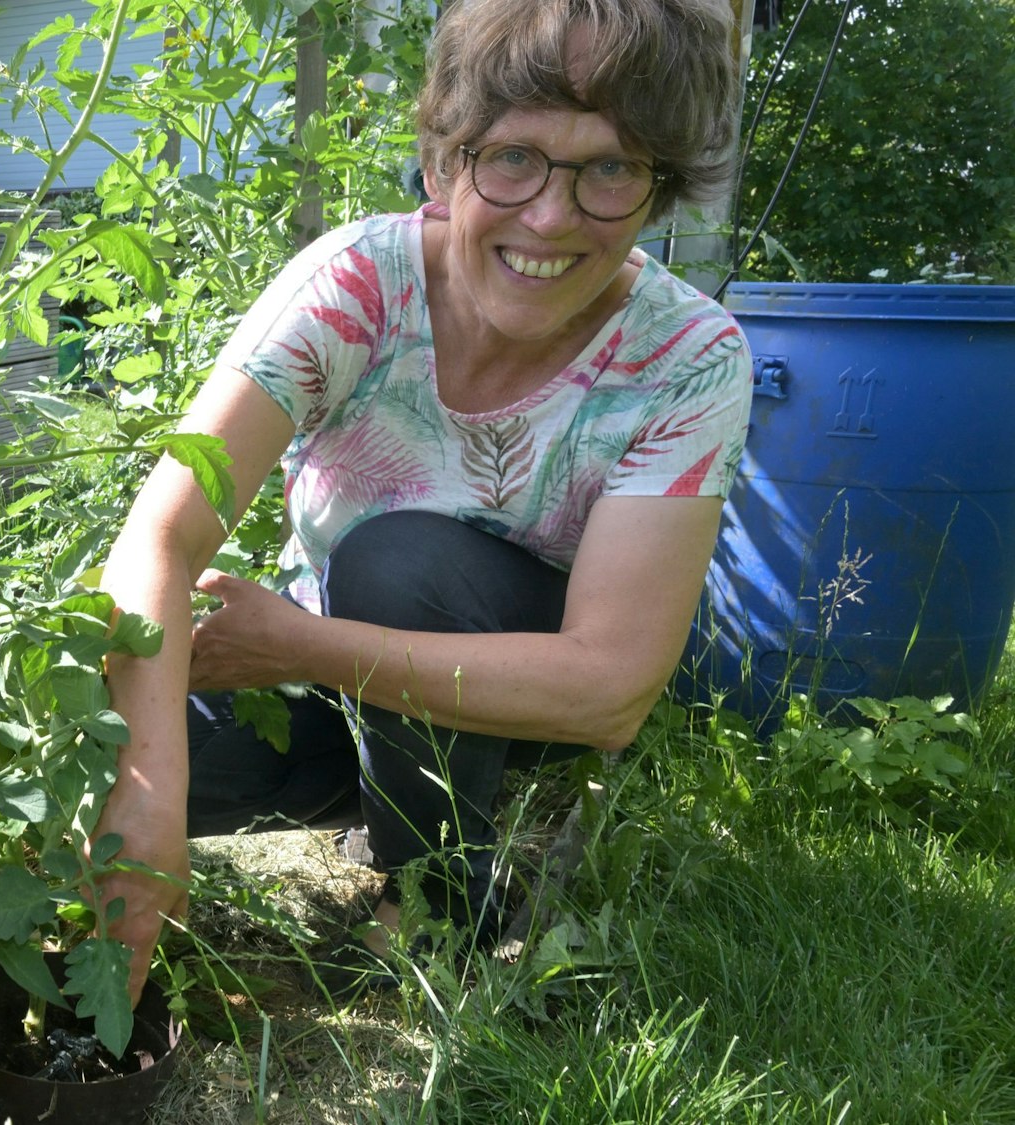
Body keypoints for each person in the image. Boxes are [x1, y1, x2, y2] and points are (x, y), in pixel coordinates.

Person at [94, 0, 751, 1002]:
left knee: (401, 562)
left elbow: (610, 690)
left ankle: (438, 901)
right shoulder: (360, 282)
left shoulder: (685, 357)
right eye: (512, 157)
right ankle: (370, 795)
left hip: (519, 695)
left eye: (610, 169)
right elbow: (161, 529)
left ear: (659, 191)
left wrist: (298, 647)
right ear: (444, 160)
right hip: (328, 662)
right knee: (114, 741)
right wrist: (144, 800)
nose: (548, 216)